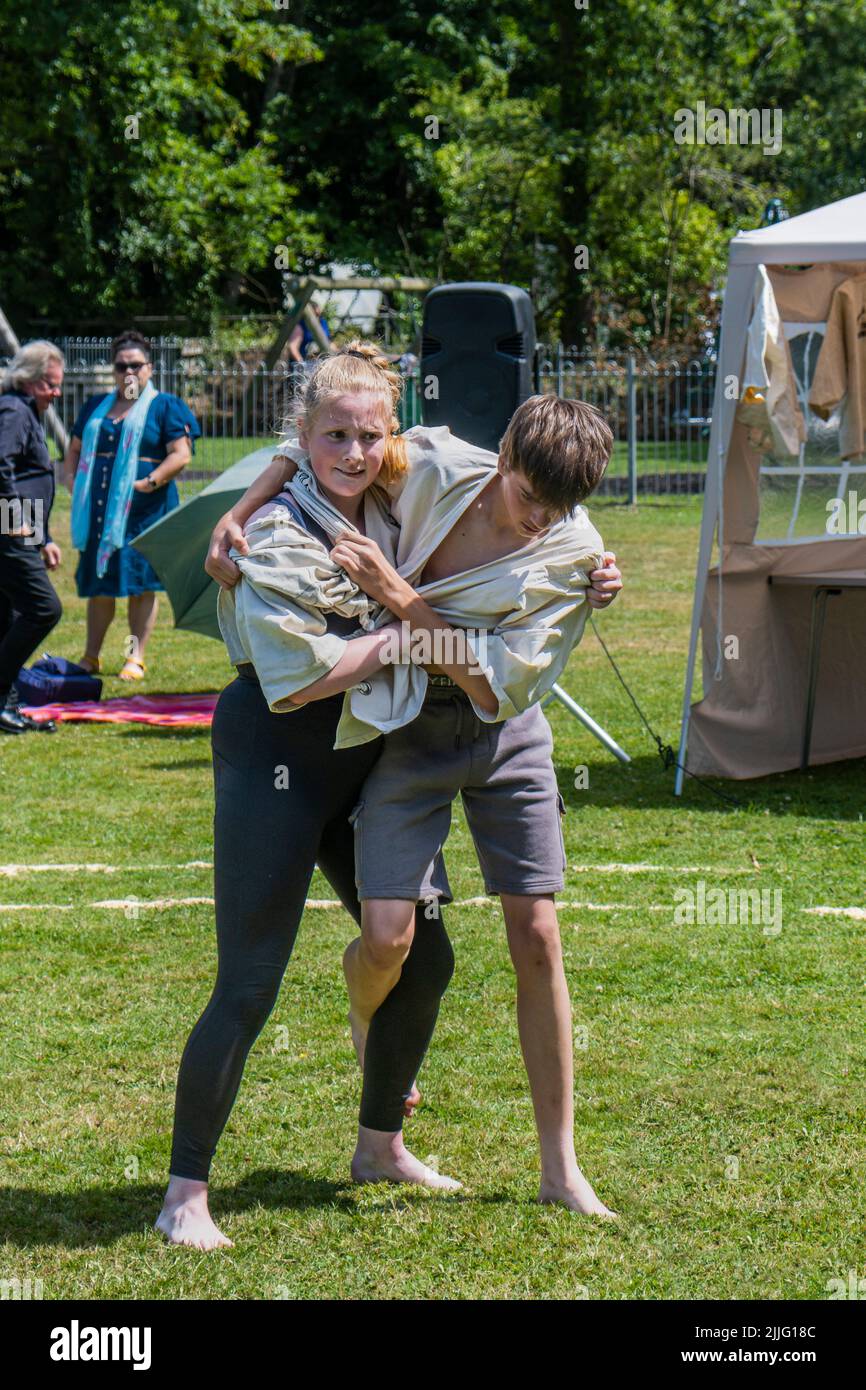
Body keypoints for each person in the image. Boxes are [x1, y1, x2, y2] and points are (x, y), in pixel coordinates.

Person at [206, 354, 623, 1220]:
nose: (540, 519)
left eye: (561, 507)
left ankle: (561, 1166)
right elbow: (323, 444)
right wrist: (238, 515)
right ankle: (368, 1023)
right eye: (529, 497)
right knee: (389, 938)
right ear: (502, 456)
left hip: (506, 734)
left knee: (538, 934)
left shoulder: (574, 552)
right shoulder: (430, 459)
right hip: (411, 731)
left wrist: (398, 597)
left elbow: (490, 689)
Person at [156, 344, 458, 1251]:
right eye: (335, 435)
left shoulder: (404, 494)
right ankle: (184, 1194)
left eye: (371, 434)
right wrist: (407, 633)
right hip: (275, 759)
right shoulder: (268, 536)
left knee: (427, 957)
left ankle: (380, 1147)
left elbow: (517, 487)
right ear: (303, 433)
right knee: (248, 984)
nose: (356, 451)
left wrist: (591, 565)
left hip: (368, 766)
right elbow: (301, 680)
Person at [62, 330, 201, 680]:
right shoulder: (97, 406)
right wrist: (72, 481)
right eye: (121, 365)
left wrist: (149, 482)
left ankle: (133, 657)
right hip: (98, 510)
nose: (129, 372)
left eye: (136, 365)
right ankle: (91, 657)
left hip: (145, 511)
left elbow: (181, 455)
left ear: (149, 368)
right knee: (101, 583)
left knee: (138, 585)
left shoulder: (164, 406)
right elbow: (74, 449)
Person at [0, 340, 65, 736]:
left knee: (6, 617)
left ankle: (7, 706)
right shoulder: (13, 411)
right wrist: (17, 521)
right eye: (51, 385)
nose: (56, 394)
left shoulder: (22, 411)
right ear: (31, 380)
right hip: (8, 531)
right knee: (43, 610)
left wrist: (44, 538)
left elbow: (26, 480)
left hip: (18, 529)